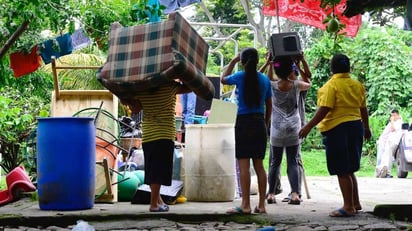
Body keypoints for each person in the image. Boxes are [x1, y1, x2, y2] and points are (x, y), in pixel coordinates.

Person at [299, 53, 372, 217]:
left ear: (332, 68)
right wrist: (366, 128)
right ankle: (355, 202)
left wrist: (308, 126)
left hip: (337, 129)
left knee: (341, 169)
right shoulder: (357, 84)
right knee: (350, 168)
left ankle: (348, 207)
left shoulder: (330, 86)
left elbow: (324, 109)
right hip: (355, 126)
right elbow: (363, 109)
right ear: (349, 67)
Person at [120, 81, 192, 212]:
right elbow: (190, 87)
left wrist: (127, 99)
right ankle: (154, 204)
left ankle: (158, 201)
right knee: (159, 171)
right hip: (164, 133)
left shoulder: (142, 87)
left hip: (148, 135)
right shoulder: (170, 86)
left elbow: (136, 109)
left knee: (153, 168)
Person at [221, 47, 272, 214]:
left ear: (243, 61)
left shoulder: (239, 77)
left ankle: (245, 205)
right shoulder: (265, 80)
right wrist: (265, 123)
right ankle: (262, 206)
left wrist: (233, 61)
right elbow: (269, 105)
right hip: (259, 123)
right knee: (259, 166)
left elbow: (222, 79)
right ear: (257, 61)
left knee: (244, 166)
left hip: (243, 123)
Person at [266, 55, 311, 205]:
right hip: (294, 128)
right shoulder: (296, 85)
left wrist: (270, 63)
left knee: (275, 162)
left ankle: (271, 194)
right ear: (290, 70)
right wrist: (298, 65)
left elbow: (268, 78)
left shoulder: (272, 85)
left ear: (277, 72)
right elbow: (308, 83)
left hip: (277, 128)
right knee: (293, 161)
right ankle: (295, 194)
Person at [375, 109, 403, 178]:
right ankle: (380, 171)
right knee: (384, 156)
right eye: (392, 115)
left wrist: (392, 121)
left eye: (394, 115)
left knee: (388, 157)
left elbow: (393, 129)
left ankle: (386, 172)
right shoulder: (394, 122)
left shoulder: (399, 122)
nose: (392, 117)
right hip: (387, 141)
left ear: (397, 115)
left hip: (393, 142)